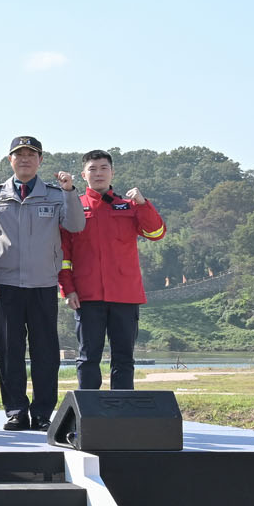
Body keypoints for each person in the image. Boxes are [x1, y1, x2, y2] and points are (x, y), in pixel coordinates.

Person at [0, 135, 86, 431]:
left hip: (43, 284)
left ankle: (41, 413)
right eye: (19, 154)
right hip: (6, 285)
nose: (25, 159)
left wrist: (70, 192)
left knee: (45, 353)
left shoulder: (56, 194)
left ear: (40, 160)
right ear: (10, 159)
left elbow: (76, 225)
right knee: (9, 353)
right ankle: (15, 411)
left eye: (31, 154)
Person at [60, 150, 166, 392]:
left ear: (112, 172)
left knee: (124, 359)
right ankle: (88, 410)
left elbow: (156, 233)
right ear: (83, 175)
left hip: (125, 295)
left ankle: (123, 410)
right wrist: (67, 289)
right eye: (93, 169)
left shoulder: (129, 206)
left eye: (103, 168)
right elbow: (64, 255)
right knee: (88, 358)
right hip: (87, 295)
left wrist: (143, 204)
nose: (98, 173)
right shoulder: (74, 208)